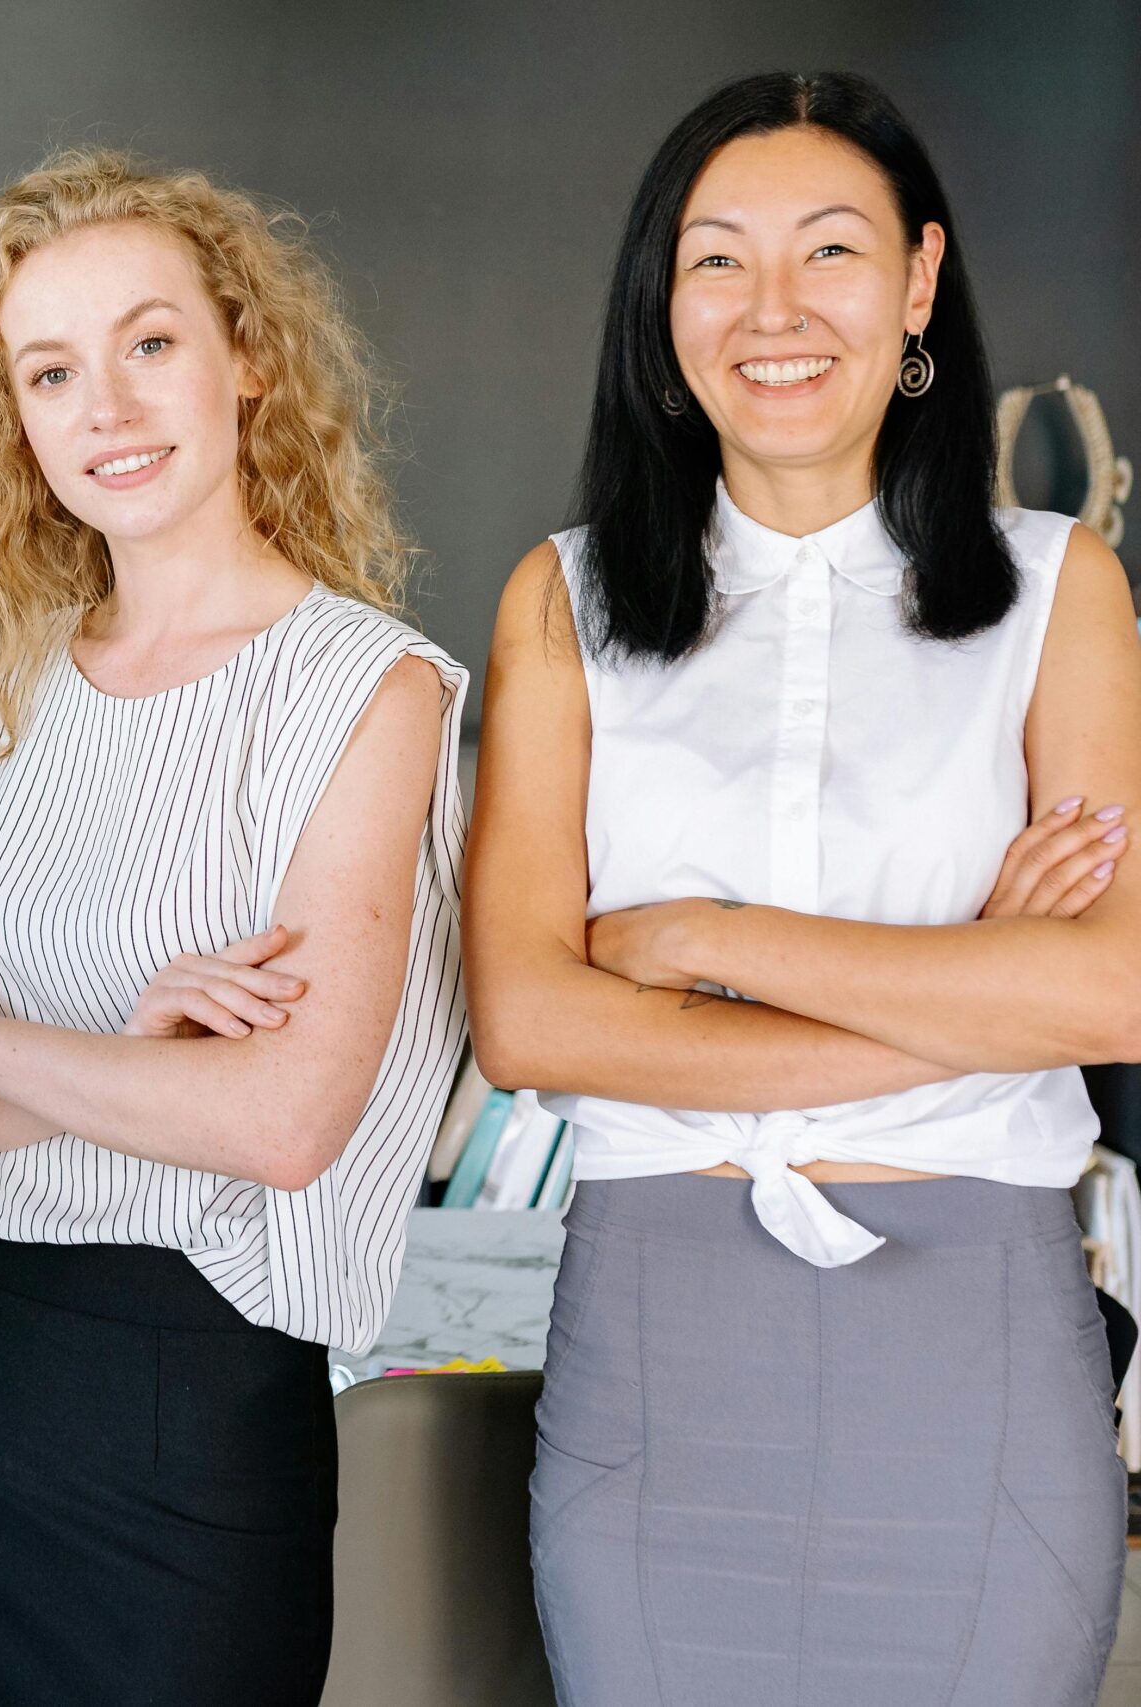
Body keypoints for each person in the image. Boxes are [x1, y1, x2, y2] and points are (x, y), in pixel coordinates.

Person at [464, 70, 1136, 1704]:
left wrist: (708, 945)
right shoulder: (561, 604)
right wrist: (971, 984)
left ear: (917, 281)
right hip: (658, 1341)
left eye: (829, 252)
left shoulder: (1061, 585)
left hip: (976, 1335)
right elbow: (528, 1021)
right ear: (663, 302)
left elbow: (1112, 987)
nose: (774, 310)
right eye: (717, 260)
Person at [0, 148, 469, 1705]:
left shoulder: (366, 692)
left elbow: (280, 1121)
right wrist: (123, 1060)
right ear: (15, 418)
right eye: (51, 372)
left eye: (151, 343)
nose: (105, 407)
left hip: (190, 1375)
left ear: (247, 358)